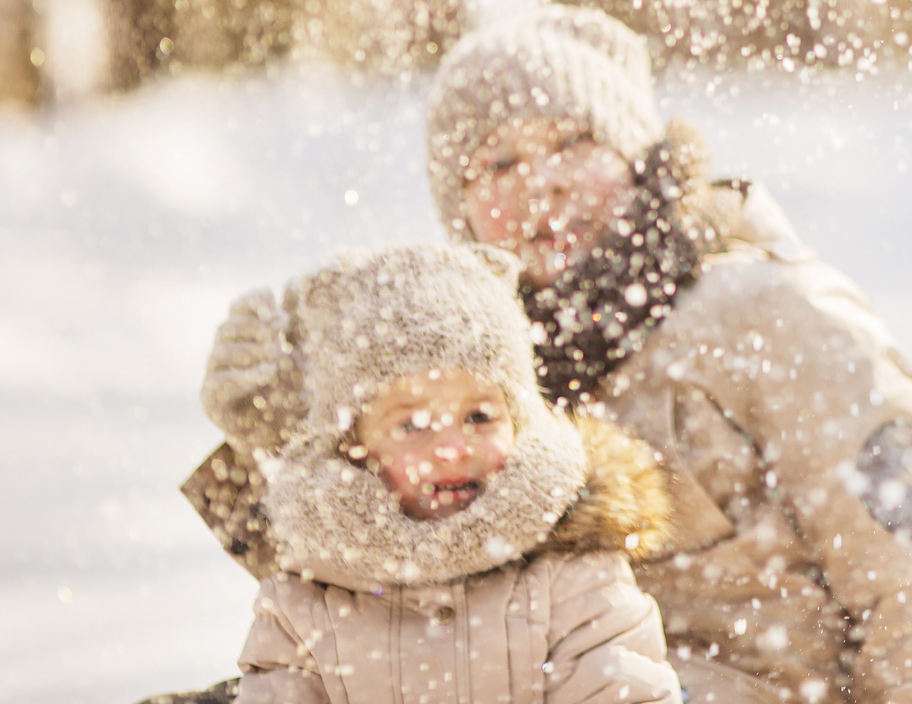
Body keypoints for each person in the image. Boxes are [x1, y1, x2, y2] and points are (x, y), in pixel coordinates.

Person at [192, 6, 912, 704]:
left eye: (573, 143)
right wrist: (284, 441)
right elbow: (362, 617)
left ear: (637, 158)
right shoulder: (471, 365)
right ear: (463, 209)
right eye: (498, 164)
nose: (540, 184)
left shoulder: (771, 316)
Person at [225, 242, 681, 704]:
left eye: (479, 417)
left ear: (519, 424)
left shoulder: (575, 576)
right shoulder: (307, 598)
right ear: (354, 448)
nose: (452, 449)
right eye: (413, 425)